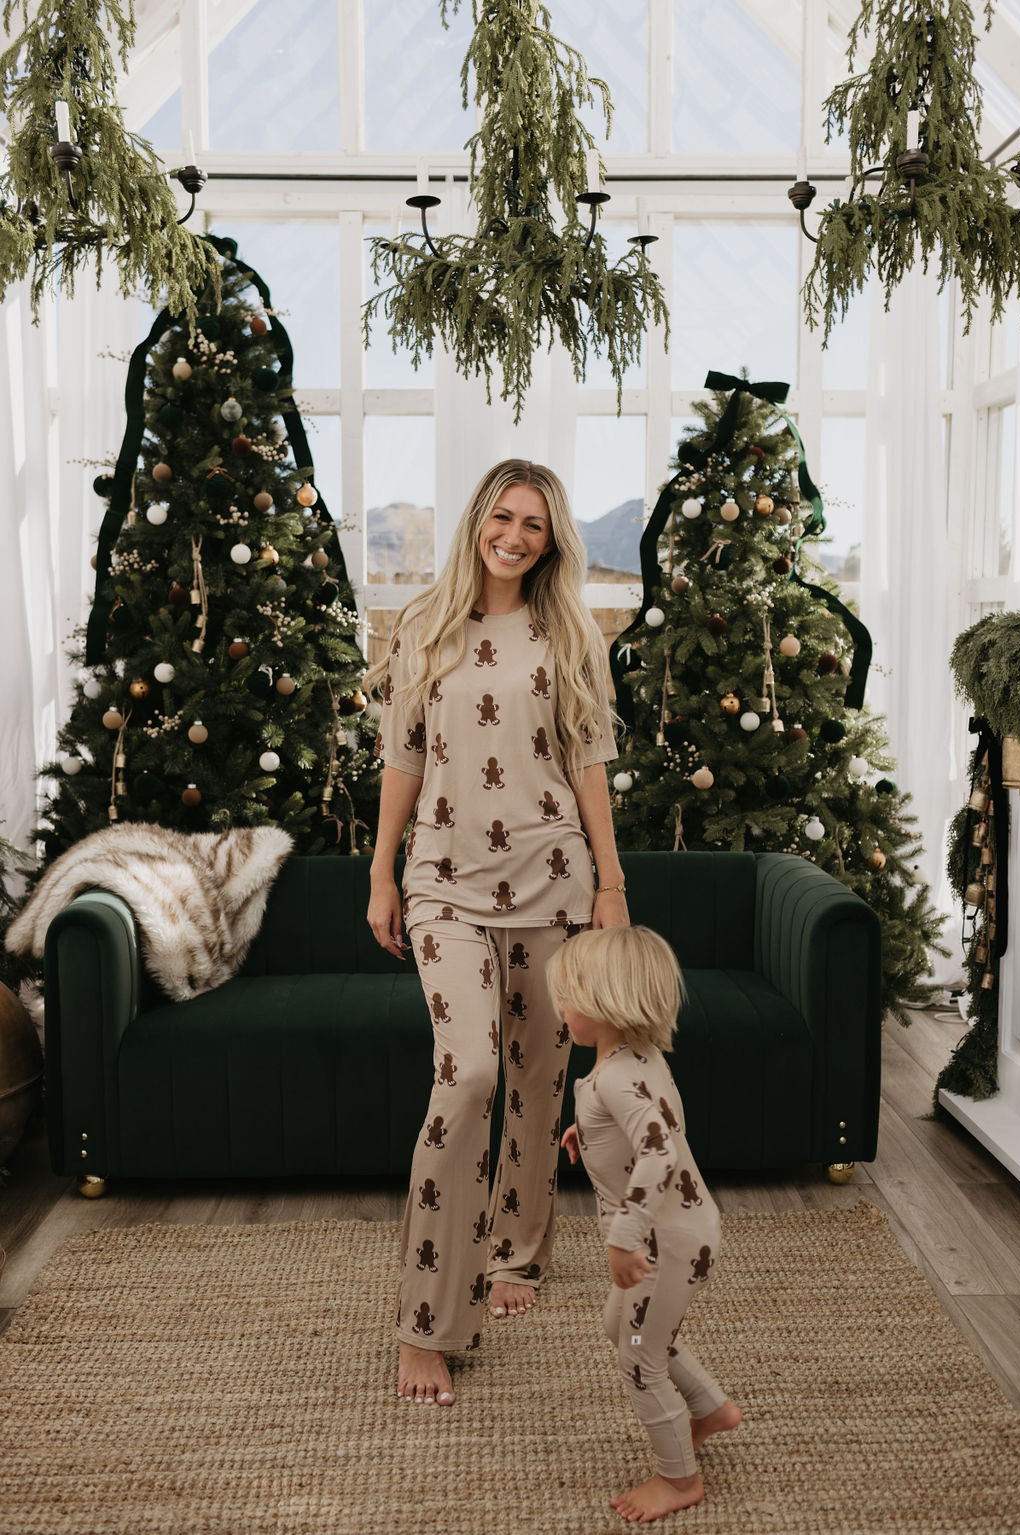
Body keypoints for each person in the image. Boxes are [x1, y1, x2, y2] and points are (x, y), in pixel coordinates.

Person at [365, 459, 629, 1410]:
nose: (514, 535)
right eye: (502, 516)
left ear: (553, 538)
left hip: (554, 878)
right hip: (444, 881)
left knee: (535, 1074)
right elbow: (402, 756)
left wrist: (610, 882)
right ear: (479, 518)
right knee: (468, 1072)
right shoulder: (424, 624)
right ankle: (426, 1321)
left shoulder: (567, 631)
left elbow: (590, 760)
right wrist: (381, 871)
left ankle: (517, 1250)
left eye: (534, 524)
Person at [549, 925, 742, 1523]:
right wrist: (593, 1131)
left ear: (605, 1006)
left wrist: (623, 1238)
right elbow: (656, 1123)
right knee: (623, 1324)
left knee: (637, 1354)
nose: (560, 1007)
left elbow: (657, 1153)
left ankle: (677, 1479)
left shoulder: (611, 1076)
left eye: (568, 997)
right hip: (689, 1226)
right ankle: (709, 1409)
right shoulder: (637, 1059)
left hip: (665, 1240)